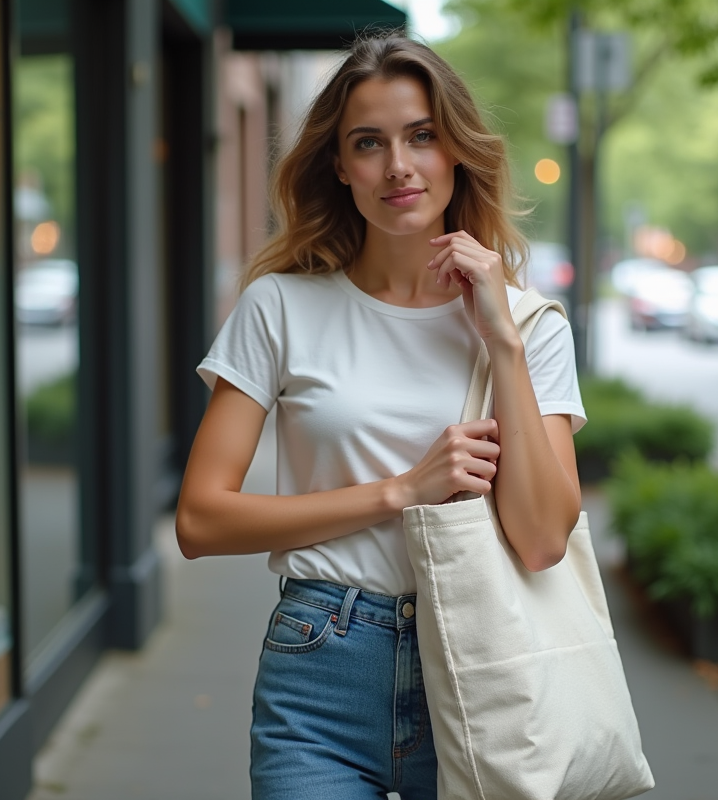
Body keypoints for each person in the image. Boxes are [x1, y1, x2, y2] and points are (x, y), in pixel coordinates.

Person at [175, 32, 586, 800]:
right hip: (320, 667)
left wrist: (500, 341)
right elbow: (200, 522)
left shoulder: (531, 327)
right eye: (370, 143)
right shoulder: (281, 308)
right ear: (340, 165)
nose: (399, 164)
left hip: (480, 665)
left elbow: (540, 541)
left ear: (455, 150)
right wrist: (400, 490)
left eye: (422, 136)